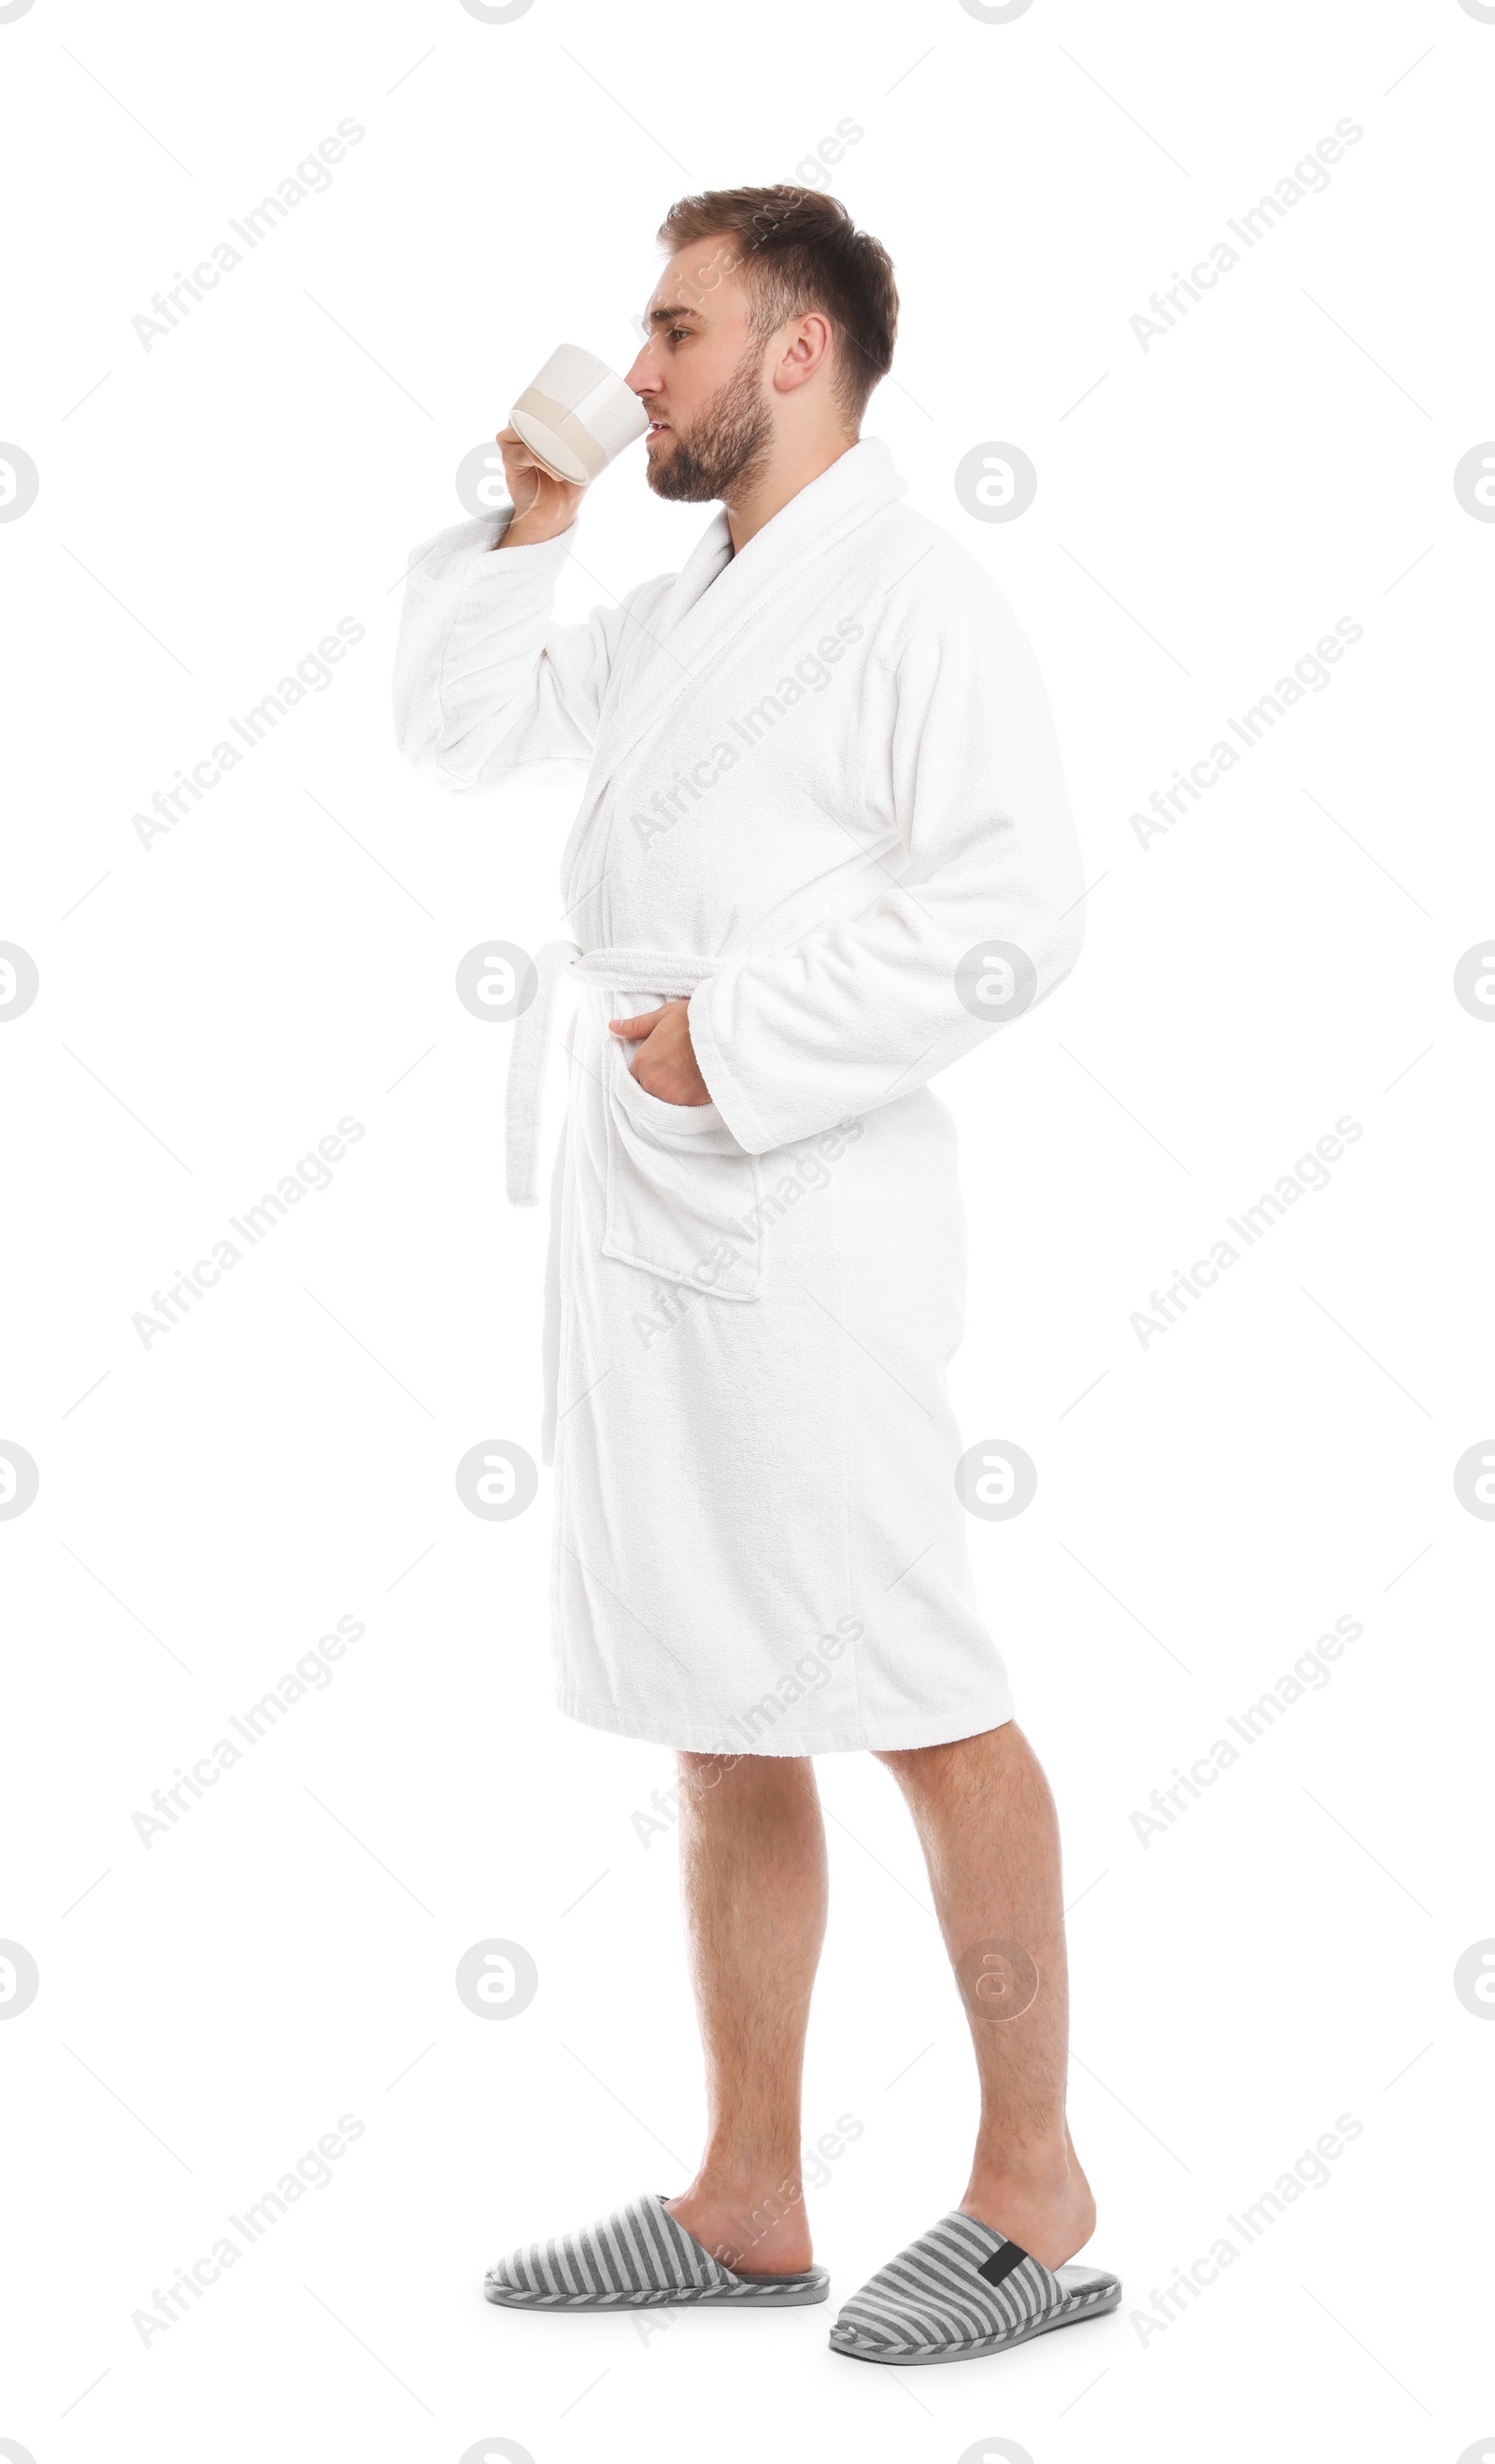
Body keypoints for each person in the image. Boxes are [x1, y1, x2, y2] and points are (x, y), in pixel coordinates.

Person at [393, 185, 1118, 2365]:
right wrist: (528, 522)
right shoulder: (696, 598)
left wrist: (737, 1039)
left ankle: (1029, 2183)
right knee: (715, 1698)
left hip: (799, 1209)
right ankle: (742, 2195)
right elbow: (456, 735)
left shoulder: (911, 597)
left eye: (672, 329)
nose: (637, 371)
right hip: (646, 1203)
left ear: (793, 352)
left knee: (908, 1679)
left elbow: (1021, 903)